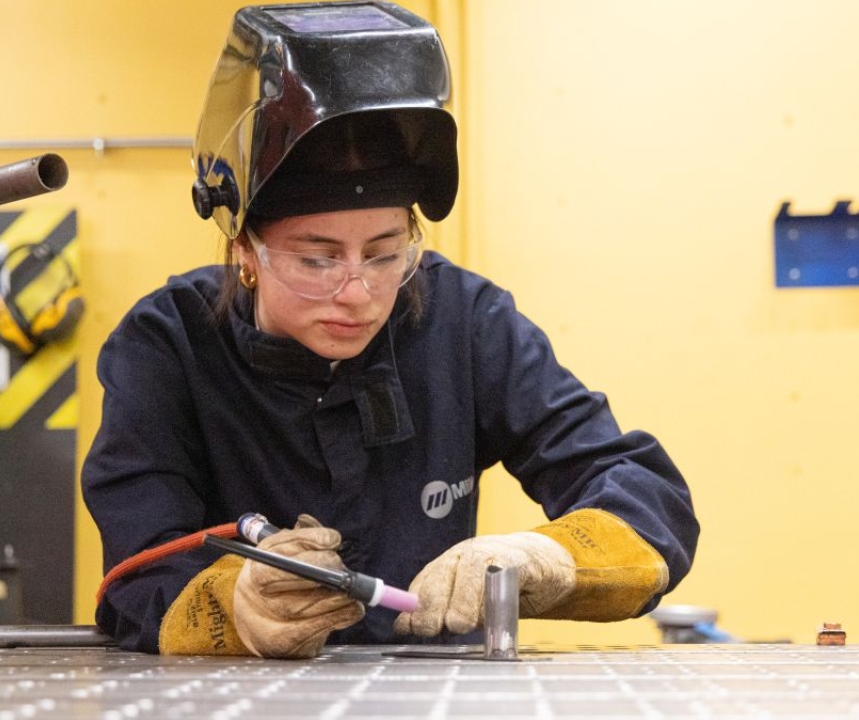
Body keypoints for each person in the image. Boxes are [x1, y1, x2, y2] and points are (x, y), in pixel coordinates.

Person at [81, 1, 699, 659]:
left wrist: (548, 557)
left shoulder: (464, 322)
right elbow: (136, 570)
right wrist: (230, 604)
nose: (359, 293)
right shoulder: (167, 344)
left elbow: (647, 501)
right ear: (243, 250)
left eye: (385, 252)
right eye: (316, 259)